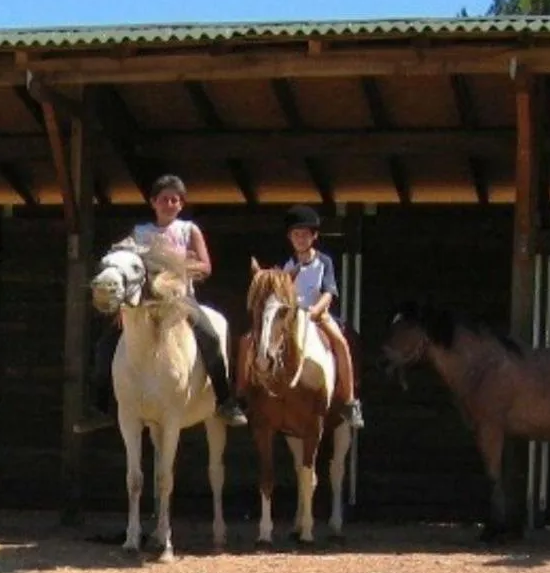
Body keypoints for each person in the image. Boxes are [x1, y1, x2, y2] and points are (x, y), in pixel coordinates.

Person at [74, 174, 249, 434]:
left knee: (210, 337)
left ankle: (224, 401)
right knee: (104, 345)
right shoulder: (140, 233)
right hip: (143, 302)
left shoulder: (189, 230)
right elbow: (130, 265)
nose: (169, 204)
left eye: (175, 200)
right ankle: (99, 408)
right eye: (164, 199)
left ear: (181, 204)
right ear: (153, 202)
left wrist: (177, 265)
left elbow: (205, 266)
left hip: (179, 300)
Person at [269, 204, 364, 429]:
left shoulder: (324, 262)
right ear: (290, 237)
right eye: (296, 235)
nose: (300, 239)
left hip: (316, 315)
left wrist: (316, 311)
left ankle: (350, 401)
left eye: (304, 235)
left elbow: (329, 292)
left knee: (341, 344)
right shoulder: (287, 264)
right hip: (291, 317)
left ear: (314, 236)